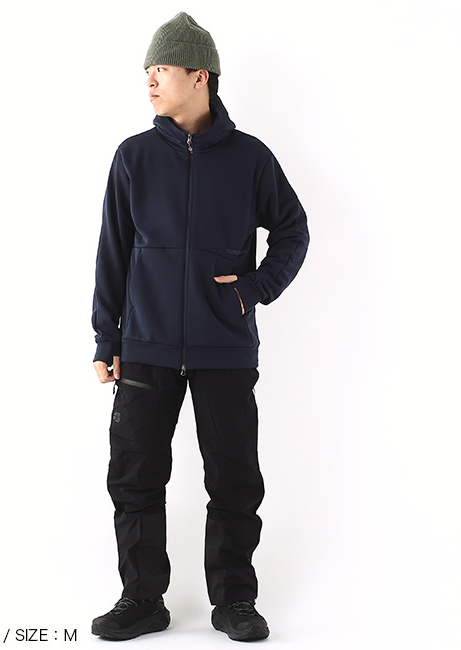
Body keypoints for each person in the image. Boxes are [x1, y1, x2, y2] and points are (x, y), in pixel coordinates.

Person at [90, 12, 309, 642]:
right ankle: (142, 599)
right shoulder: (133, 157)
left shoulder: (250, 159)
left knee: (235, 480)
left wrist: (253, 290)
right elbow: (112, 254)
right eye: (147, 71)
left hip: (224, 348)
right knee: (134, 478)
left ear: (200, 77)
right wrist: (106, 338)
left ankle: (235, 600)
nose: (150, 82)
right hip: (145, 348)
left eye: (161, 70)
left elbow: (293, 231)